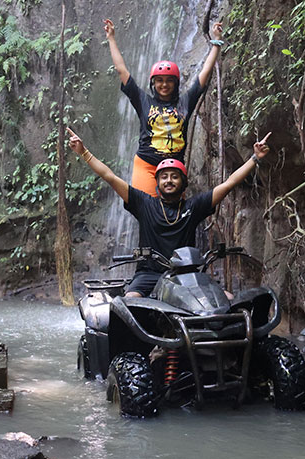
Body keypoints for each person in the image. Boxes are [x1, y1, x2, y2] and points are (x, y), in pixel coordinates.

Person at [66, 126, 271, 298]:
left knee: (228, 299)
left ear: (183, 182)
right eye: (164, 177)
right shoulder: (144, 203)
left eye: (175, 176)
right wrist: (84, 152)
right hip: (149, 274)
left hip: (187, 275)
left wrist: (255, 157)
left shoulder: (193, 206)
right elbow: (109, 177)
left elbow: (229, 184)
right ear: (157, 183)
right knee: (131, 301)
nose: (169, 180)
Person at [104, 18, 225, 196]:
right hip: (147, 165)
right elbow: (122, 70)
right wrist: (111, 38)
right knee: (147, 211)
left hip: (174, 170)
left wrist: (216, 42)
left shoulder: (186, 102)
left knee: (174, 217)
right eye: (159, 80)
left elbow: (204, 74)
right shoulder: (142, 100)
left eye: (169, 80)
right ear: (153, 84)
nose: (164, 85)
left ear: (176, 84)